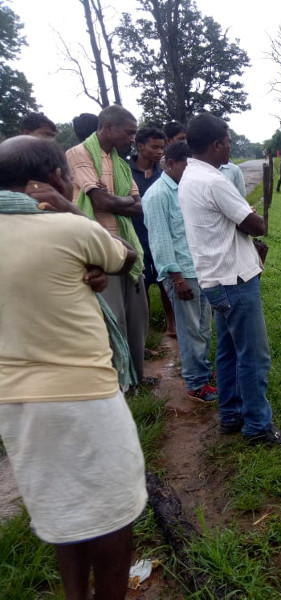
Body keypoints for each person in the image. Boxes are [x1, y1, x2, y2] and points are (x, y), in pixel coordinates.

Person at [0, 136, 146, 600]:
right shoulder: (67, 228)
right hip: (84, 394)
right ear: (52, 179)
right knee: (114, 511)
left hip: (14, 401)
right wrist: (72, 211)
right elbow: (125, 256)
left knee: (63, 509)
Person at [179, 112, 281, 446]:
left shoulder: (189, 176)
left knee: (229, 351)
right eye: (229, 141)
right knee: (254, 356)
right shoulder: (214, 181)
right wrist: (252, 216)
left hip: (213, 280)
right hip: (235, 280)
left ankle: (231, 415)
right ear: (217, 144)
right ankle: (257, 426)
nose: (231, 147)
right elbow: (256, 225)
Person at [66, 104, 151, 388]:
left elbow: (138, 207)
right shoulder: (79, 154)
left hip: (126, 246)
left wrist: (117, 201)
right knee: (113, 318)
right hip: (97, 248)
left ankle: (136, 378)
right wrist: (122, 201)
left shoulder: (121, 164)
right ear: (108, 128)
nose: (132, 139)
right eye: (129, 132)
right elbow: (99, 202)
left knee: (137, 317)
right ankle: (118, 384)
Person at [143, 141, 218, 403]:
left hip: (199, 270)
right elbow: (160, 241)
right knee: (190, 331)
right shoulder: (158, 195)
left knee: (203, 328)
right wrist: (176, 278)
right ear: (171, 164)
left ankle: (203, 371)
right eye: (187, 167)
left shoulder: (184, 189)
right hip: (181, 275)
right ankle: (195, 383)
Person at [128, 126, 177, 338]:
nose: (160, 152)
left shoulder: (164, 172)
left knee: (166, 278)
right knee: (142, 283)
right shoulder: (126, 170)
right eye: (155, 147)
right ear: (140, 146)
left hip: (162, 234)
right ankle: (145, 330)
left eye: (162, 147)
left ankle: (172, 324)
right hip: (136, 234)